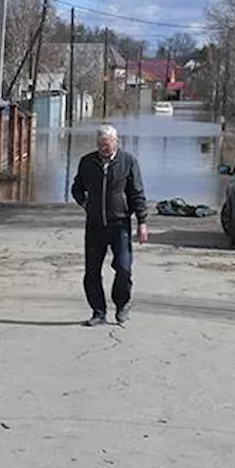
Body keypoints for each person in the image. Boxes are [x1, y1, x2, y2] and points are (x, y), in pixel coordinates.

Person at [70, 124, 149, 326]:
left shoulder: (128, 161)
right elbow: (77, 188)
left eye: (107, 144)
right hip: (95, 225)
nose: (104, 148)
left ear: (116, 142)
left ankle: (122, 304)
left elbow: (137, 193)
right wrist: (85, 203)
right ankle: (98, 312)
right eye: (100, 144)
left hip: (119, 224)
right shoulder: (87, 162)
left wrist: (142, 221)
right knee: (92, 272)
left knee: (123, 267)